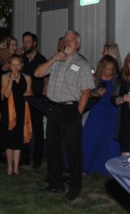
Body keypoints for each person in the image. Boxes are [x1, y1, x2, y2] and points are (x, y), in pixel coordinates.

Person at [34, 30, 94, 201]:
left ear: (78, 44)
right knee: (52, 149)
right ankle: (55, 184)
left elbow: (86, 92)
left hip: (70, 110)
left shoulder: (81, 64)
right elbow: (38, 74)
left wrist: (77, 114)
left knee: (73, 151)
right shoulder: (57, 61)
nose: (68, 42)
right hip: (53, 109)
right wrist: (53, 58)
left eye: (72, 40)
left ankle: (75, 187)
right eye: (65, 39)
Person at [82, 55, 120, 174]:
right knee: (91, 138)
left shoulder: (116, 80)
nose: (109, 72)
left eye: (112, 69)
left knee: (110, 140)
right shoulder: (94, 79)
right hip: (97, 111)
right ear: (102, 67)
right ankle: (85, 166)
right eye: (107, 69)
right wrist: (95, 94)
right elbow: (83, 95)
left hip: (112, 111)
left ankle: (109, 168)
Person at [0, 54, 33, 176]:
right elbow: (6, 95)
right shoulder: (4, 77)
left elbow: (29, 93)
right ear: (9, 65)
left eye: (17, 65)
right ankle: (9, 167)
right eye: (13, 65)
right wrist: (11, 81)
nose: (15, 67)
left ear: (22, 65)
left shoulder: (27, 78)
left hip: (22, 111)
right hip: (9, 112)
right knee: (9, 141)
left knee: (18, 141)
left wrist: (29, 93)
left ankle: (16, 167)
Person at [21, 31, 48, 168]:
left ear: (34, 43)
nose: (25, 44)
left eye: (28, 42)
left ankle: (37, 159)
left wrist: (42, 99)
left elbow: (46, 80)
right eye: (24, 42)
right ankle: (24, 157)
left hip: (36, 100)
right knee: (23, 128)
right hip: (23, 99)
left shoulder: (41, 60)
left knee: (37, 129)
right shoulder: (22, 60)